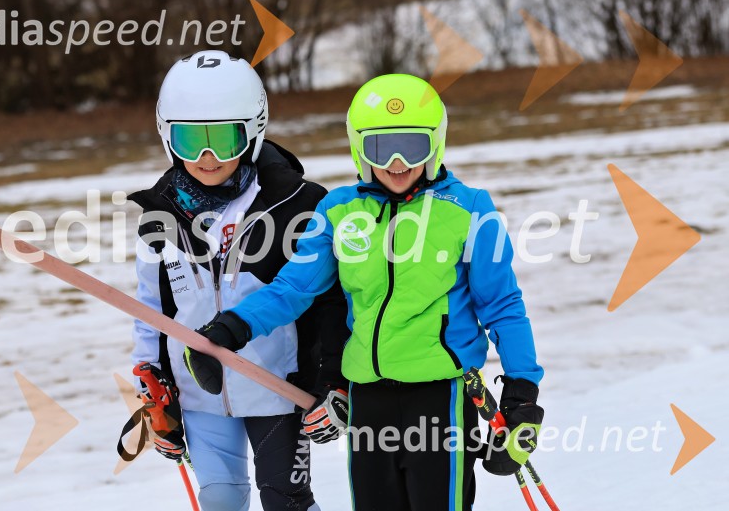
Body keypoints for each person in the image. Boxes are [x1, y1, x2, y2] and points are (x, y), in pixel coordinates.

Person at [184, 73, 545, 511]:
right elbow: (293, 289)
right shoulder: (339, 210)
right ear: (360, 148)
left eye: (411, 146)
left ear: (435, 145)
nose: (396, 162)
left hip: (440, 397)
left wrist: (522, 394)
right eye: (380, 147)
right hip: (367, 400)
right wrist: (230, 330)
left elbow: (503, 307)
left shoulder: (470, 210)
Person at [127, 50, 347, 511]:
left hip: (278, 390)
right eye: (190, 141)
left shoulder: (298, 204)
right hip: (197, 392)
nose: (207, 157)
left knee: (286, 499)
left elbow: (328, 302)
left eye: (224, 140)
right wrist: (154, 379)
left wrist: (333, 381)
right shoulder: (160, 212)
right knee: (222, 500)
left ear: (253, 132)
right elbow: (152, 305)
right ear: (167, 136)